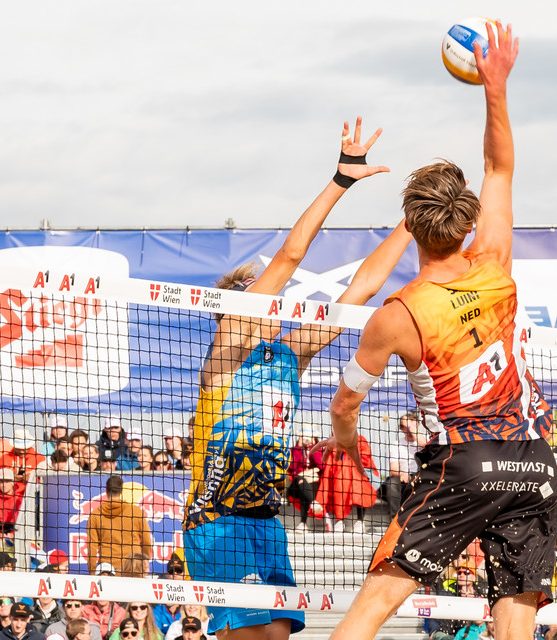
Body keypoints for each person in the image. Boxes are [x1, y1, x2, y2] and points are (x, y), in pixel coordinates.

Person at [319, 25, 557, 640]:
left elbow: (344, 406)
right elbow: (499, 166)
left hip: (465, 463)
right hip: (533, 460)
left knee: (371, 607)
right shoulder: (494, 264)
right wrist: (495, 86)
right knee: (515, 623)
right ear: (467, 221)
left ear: (411, 226)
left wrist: (347, 446)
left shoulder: (398, 314)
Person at [184, 115, 408, 640]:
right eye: (260, 297)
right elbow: (289, 255)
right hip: (217, 521)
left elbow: (363, 288)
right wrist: (342, 180)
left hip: (266, 519)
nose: (275, 303)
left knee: (279, 634)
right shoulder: (225, 357)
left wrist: (415, 220)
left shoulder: (290, 355)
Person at [86, 476, 152, 575]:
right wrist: (143, 564)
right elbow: (146, 541)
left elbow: (92, 547)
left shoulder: (95, 515)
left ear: (106, 490)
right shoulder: (135, 512)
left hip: (108, 570)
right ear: (122, 491)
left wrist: (92, 572)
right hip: (132, 568)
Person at [314, 433, 377, 533]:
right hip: (338, 476)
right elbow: (329, 464)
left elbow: (365, 460)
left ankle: (360, 521)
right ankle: (340, 520)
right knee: (340, 482)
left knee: (359, 484)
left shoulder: (360, 440)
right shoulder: (332, 443)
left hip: (357, 475)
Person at [381, 412, 427, 515]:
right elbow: (393, 469)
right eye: (404, 426)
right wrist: (402, 473)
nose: (408, 429)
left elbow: (425, 446)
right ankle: (396, 516)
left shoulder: (425, 439)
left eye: (411, 424)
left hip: (422, 474)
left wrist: (413, 430)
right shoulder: (396, 444)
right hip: (403, 476)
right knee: (391, 484)